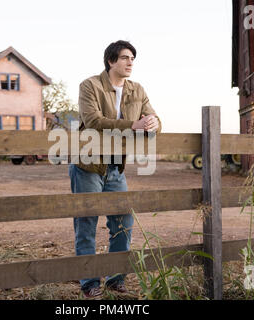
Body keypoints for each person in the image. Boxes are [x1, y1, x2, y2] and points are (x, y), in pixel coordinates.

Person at [68, 40, 161, 298]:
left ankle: (115, 278)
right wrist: (134, 125)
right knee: (86, 223)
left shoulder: (137, 90)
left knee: (123, 222)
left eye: (132, 58)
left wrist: (153, 123)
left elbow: (153, 120)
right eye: (124, 57)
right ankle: (89, 282)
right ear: (111, 61)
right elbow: (93, 120)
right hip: (89, 164)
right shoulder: (90, 85)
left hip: (116, 167)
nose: (130, 62)